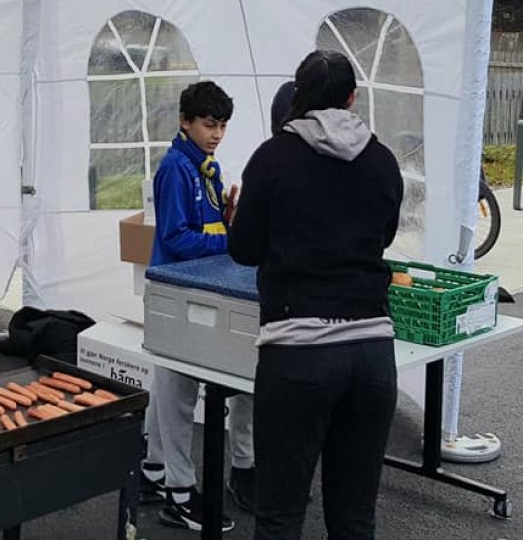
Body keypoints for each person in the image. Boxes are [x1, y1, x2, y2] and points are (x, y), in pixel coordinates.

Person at [229, 51, 403, 540]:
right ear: (352, 97)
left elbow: (245, 250)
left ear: (298, 94)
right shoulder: (383, 160)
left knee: (281, 515)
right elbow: (384, 236)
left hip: (298, 348)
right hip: (372, 352)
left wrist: (235, 220)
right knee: (354, 516)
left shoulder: (272, 157)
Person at [141, 80, 254, 533]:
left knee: (168, 388)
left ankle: (153, 470)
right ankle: (180, 493)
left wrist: (227, 219)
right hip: (176, 291)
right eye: (209, 125)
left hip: (198, 289)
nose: (217, 135)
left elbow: (202, 226)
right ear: (184, 121)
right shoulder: (175, 168)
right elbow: (174, 237)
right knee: (178, 394)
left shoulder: (207, 167)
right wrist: (230, 240)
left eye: (222, 126)